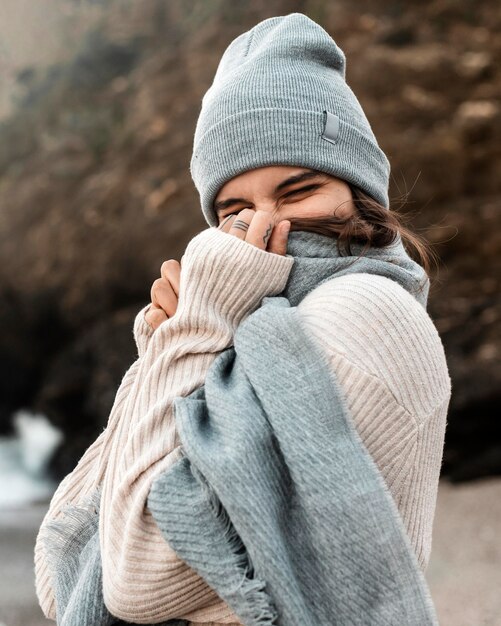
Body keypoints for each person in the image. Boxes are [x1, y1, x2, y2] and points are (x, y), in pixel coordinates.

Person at [34, 13, 451, 626]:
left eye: (297, 190)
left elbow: (135, 578)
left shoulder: (363, 318)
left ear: (356, 190)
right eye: (234, 208)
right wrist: (165, 350)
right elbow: (60, 558)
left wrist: (194, 331)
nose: (263, 226)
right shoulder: (251, 325)